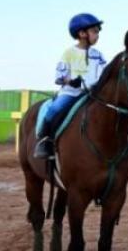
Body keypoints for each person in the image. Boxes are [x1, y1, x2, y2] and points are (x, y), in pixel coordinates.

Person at [33, 13, 107, 159]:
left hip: (93, 94)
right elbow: (60, 76)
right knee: (54, 109)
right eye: (94, 31)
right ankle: (45, 141)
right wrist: (71, 81)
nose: (97, 35)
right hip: (71, 93)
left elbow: (105, 73)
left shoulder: (98, 55)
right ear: (82, 33)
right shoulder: (69, 53)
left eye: (98, 32)